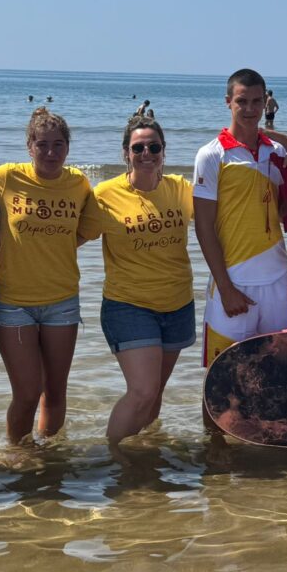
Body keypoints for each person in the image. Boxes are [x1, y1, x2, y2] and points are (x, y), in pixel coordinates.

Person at [0, 108, 99, 444]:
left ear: (68, 148)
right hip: (13, 302)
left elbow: (89, 227)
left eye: (58, 145)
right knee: (28, 392)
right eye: (42, 145)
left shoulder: (78, 183)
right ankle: (18, 451)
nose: (51, 153)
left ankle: (49, 453)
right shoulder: (7, 176)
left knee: (56, 391)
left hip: (62, 300)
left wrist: (53, 245)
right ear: (29, 146)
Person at [89, 116, 195, 445]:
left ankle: (143, 457)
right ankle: (112, 455)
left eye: (154, 147)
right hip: (128, 305)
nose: (146, 153)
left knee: (155, 394)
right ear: (126, 153)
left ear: (164, 151)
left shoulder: (181, 188)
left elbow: (223, 218)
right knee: (142, 391)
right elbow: (68, 237)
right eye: (138, 147)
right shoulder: (105, 194)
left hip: (178, 303)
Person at [194, 69, 287, 367]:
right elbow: (204, 227)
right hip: (234, 280)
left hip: (276, 278)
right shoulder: (211, 155)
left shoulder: (275, 151)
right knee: (223, 378)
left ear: (265, 103)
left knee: (278, 372)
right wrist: (226, 287)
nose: (250, 109)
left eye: (257, 102)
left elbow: (283, 211)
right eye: (242, 101)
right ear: (228, 102)